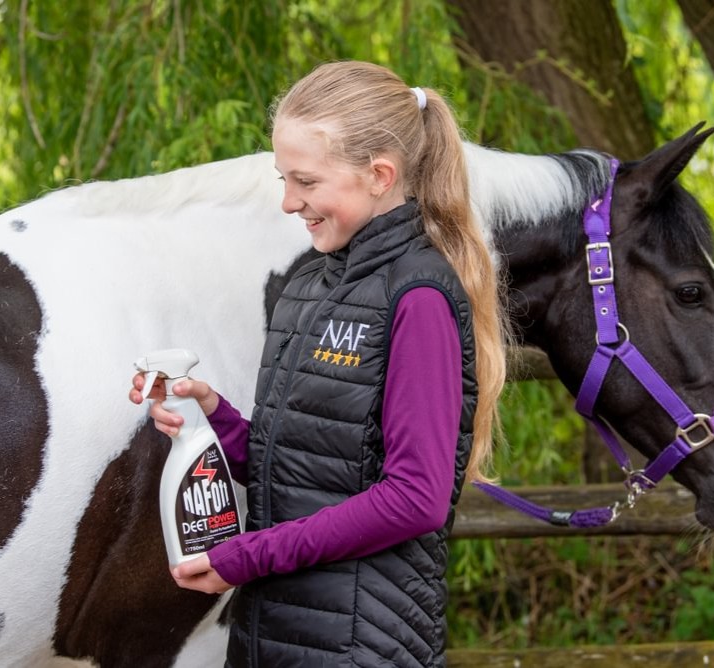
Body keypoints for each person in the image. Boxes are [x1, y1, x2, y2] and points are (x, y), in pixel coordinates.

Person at [130, 60, 507, 667]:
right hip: (272, 635)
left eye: (304, 181)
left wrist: (244, 557)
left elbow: (415, 499)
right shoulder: (309, 282)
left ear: (380, 175)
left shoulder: (419, 296)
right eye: (282, 178)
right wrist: (211, 416)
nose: (287, 202)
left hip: (361, 645)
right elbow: (303, 468)